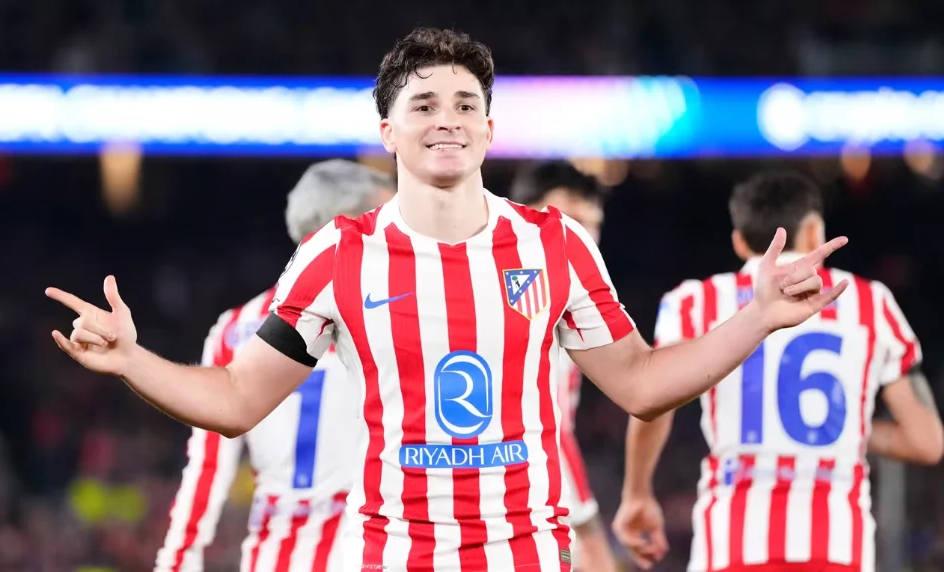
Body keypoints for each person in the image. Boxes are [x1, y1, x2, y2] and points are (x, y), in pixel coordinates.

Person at [46, 28, 848, 572]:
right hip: (391, 554)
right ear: (387, 132)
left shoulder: (554, 245)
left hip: (525, 553)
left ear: (490, 130)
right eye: (423, 105)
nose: (448, 121)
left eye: (466, 105)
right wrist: (133, 360)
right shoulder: (338, 256)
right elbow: (235, 398)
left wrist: (756, 317)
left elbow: (639, 382)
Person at [611, 170, 943, 572]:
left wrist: (636, 493)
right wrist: (841, 421)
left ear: (739, 241)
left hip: (731, 544)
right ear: (815, 230)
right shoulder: (870, 302)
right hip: (838, 546)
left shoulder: (693, 301)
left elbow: (654, 401)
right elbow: (927, 442)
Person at [153, 160, 395, 572]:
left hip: (274, 557)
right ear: (344, 227)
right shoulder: (388, 316)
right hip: (369, 555)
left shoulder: (234, 329)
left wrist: (176, 561)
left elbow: (208, 467)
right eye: (384, 220)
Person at [509, 160, 617, 572]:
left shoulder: (563, 295)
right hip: (513, 507)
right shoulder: (531, 296)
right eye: (570, 220)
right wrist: (588, 529)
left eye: (592, 225)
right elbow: (548, 427)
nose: (582, 238)